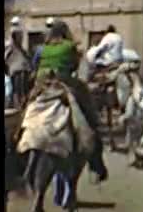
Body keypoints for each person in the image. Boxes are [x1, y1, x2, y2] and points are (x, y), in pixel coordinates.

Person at [35, 20, 108, 183]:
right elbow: (75, 66)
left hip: (41, 86)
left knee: (27, 106)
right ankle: (96, 163)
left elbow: (37, 66)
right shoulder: (69, 46)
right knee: (89, 114)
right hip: (63, 83)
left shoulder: (44, 48)